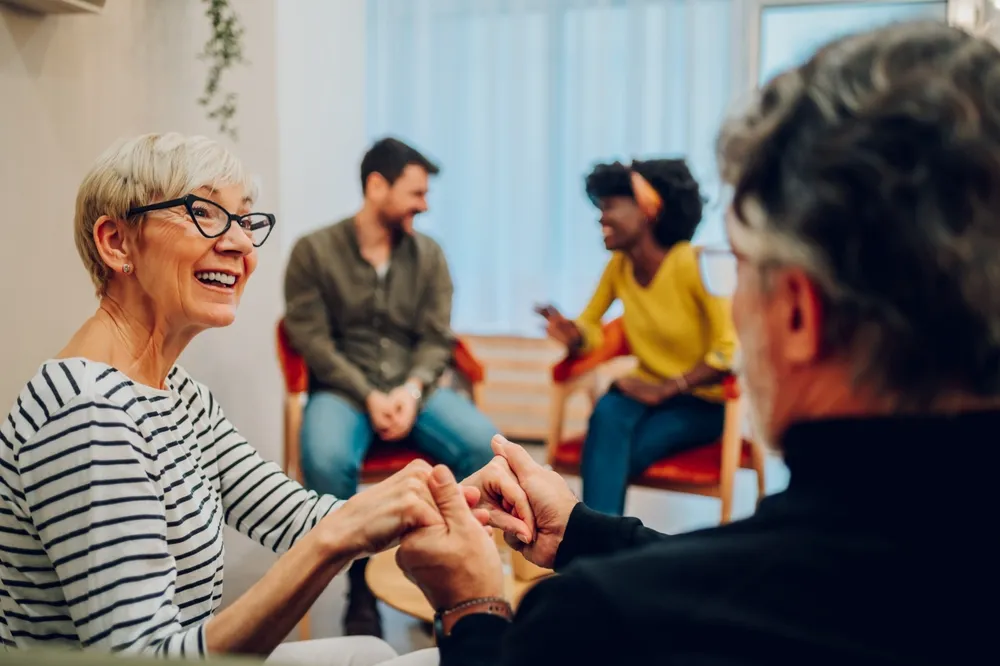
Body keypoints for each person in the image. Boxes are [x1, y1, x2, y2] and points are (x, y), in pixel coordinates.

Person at [396, 21, 1000, 665]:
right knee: (612, 411)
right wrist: (580, 532)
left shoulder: (597, 622)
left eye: (741, 269)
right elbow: (756, 584)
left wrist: (472, 606)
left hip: (696, 395)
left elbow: (736, 581)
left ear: (798, 312)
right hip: (637, 418)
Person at [0, 133, 529, 664]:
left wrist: (452, 498)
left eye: (245, 222)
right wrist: (338, 538)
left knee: (371, 651)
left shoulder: (180, 394)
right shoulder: (85, 415)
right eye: (205, 213)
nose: (241, 246)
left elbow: (291, 516)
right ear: (117, 243)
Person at [283, 137, 497, 636]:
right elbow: (311, 341)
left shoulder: (429, 256)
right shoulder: (312, 252)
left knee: (482, 446)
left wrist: (412, 389)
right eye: (416, 193)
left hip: (413, 391)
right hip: (342, 389)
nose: (424, 205)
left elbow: (436, 338)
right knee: (326, 459)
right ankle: (360, 588)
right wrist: (368, 393)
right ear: (376, 186)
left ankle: (452, 583)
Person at [536, 158, 736, 515]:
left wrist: (666, 389)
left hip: (700, 401)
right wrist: (575, 337)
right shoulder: (619, 268)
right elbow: (591, 328)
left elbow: (728, 351)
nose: (601, 218)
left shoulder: (692, 263)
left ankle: (593, 551)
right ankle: (596, 554)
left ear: (648, 209)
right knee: (607, 415)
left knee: (611, 454)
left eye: (610, 206)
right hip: (643, 392)